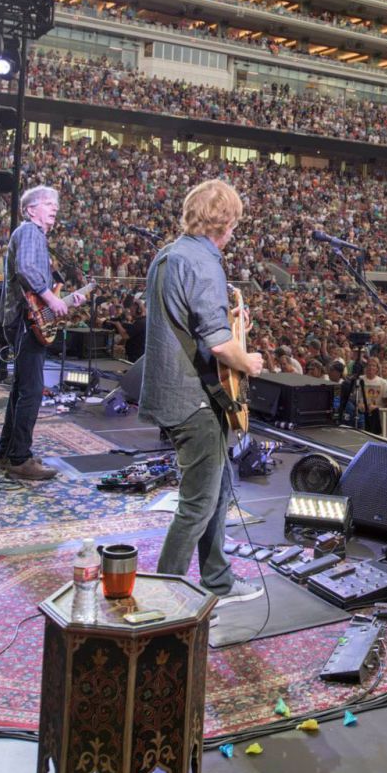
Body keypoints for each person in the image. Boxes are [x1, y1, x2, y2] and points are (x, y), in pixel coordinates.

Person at [142, 179, 264, 606]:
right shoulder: (203, 260)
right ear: (226, 222)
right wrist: (248, 361)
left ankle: (216, 578)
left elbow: (185, 319)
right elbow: (215, 344)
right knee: (197, 504)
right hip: (192, 398)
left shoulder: (167, 255)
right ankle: (162, 596)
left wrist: (228, 321)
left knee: (219, 486)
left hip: (171, 391)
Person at [0, 186, 84, 481]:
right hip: (24, 320)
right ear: (32, 210)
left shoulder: (33, 235)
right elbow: (26, 269)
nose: (54, 209)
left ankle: (6, 454)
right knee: (32, 391)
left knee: (22, 390)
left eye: (55, 204)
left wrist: (67, 298)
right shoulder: (31, 231)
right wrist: (52, 298)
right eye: (47, 204)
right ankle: (20, 458)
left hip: (21, 319)